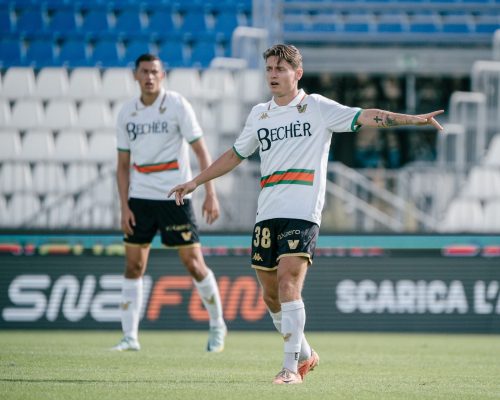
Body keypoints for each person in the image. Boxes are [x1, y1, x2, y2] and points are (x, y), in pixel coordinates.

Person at [169, 44, 444, 384]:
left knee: (288, 283)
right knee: (271, 294)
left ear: (297, 73)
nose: (273, 74)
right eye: (269, 69)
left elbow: (366, 115)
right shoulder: (259, 114)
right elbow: (235, 155)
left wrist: (413, 120)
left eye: (280, 69)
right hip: (267, 213)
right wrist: (196, 181)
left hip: (303, 212)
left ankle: (289, 369)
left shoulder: (316, 107)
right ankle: (305, 354)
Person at [113, 54, 227, 353]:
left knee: (194, 264)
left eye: (154, 71)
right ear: (135, 75)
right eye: (144, 72)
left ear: (162, 75)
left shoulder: (177, 105)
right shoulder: (127, 112)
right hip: (140, 197)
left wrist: (210, 193)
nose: (149, 77)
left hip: (175, 196)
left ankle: (217, 325)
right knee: (134, 265)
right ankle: (129, 337)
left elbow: (201, 152)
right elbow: (122, 165)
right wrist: (124, 206)